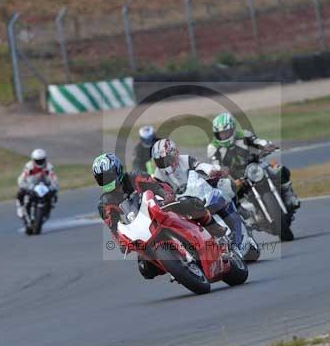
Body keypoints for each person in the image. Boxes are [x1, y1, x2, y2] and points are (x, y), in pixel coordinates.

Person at [94, 153, 222, 280]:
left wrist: (166, 195)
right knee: (145, 269)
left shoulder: (135, 177)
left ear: (118, 170)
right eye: (102, 178)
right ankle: (177, 266)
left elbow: (157, 186)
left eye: (108, 176)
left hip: (161, 206)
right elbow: (113, 227)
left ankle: (214, 228)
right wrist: (121, 242)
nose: (106, 180)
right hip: (140, 227)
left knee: (193, 204)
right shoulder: (105, 203)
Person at [150, 138, 247, 252]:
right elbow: (157, 191)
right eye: (160, 161)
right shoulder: (157, 175)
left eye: (166, 159)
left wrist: (211, 170)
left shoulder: (185, 159)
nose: (164, 163)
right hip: (182, 204)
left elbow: (200, 166)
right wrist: (165, 199)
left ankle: (239, 227)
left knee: (223, 193)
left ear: (175, 153)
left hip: (199, 192)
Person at [208, 112, 300, 213]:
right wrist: (220, 170)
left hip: (255, 166)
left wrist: (267, 145)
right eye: (221, 133)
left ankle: (289, 196)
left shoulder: (244, 134)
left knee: (280, 169)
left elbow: (258, 141)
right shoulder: (213, 147)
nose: (224, 135)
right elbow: (215, 164)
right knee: (226, 196)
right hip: (237, 178)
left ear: (233, 129)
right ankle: (245, 216)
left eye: (226, 132)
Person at [16, 149, 59, 218]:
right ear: (33, 159)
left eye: (41, 160)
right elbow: (21, 179)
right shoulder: (29, 166)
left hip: (44, 185)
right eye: (38, 161)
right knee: (20, 192)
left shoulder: (49, 166)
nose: (40, 162)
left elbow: (54, 178)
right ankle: (20, 207)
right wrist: (27, 186)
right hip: (31, 185)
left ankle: (50, 205)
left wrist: (53, 186)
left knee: (54, 193)